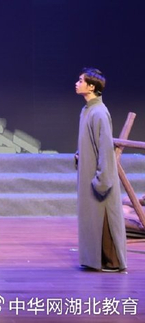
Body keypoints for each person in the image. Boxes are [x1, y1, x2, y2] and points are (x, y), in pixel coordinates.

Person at [74, 68, 127, 272]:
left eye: (81, 81)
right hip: (89, 173)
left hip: (99, 178)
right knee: (92, 218)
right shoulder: (87, 110)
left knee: (104, 218)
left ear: (91, 86)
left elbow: (105, 149)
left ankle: (111, 261)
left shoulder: (99, 113)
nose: (77, 83)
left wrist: (101, 180)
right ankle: (94, 260)